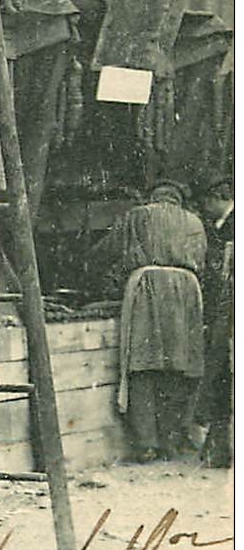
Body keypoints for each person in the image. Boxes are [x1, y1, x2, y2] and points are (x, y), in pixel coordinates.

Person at [91, 179, 207, 463]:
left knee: (142, 365)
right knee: (179, 367)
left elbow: (107, 250)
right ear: (178, 199)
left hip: (148, 286)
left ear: (152, 196)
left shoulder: (138, 215)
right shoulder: (195, 221)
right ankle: (171, 442)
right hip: (187, 291)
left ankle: (146, 444)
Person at [197, 175, 233, 468]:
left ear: (219, 198)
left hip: (229, 314)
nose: (205, 208)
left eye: (207, 202)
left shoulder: (231, 228)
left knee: (223, 374)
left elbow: (223, 279)